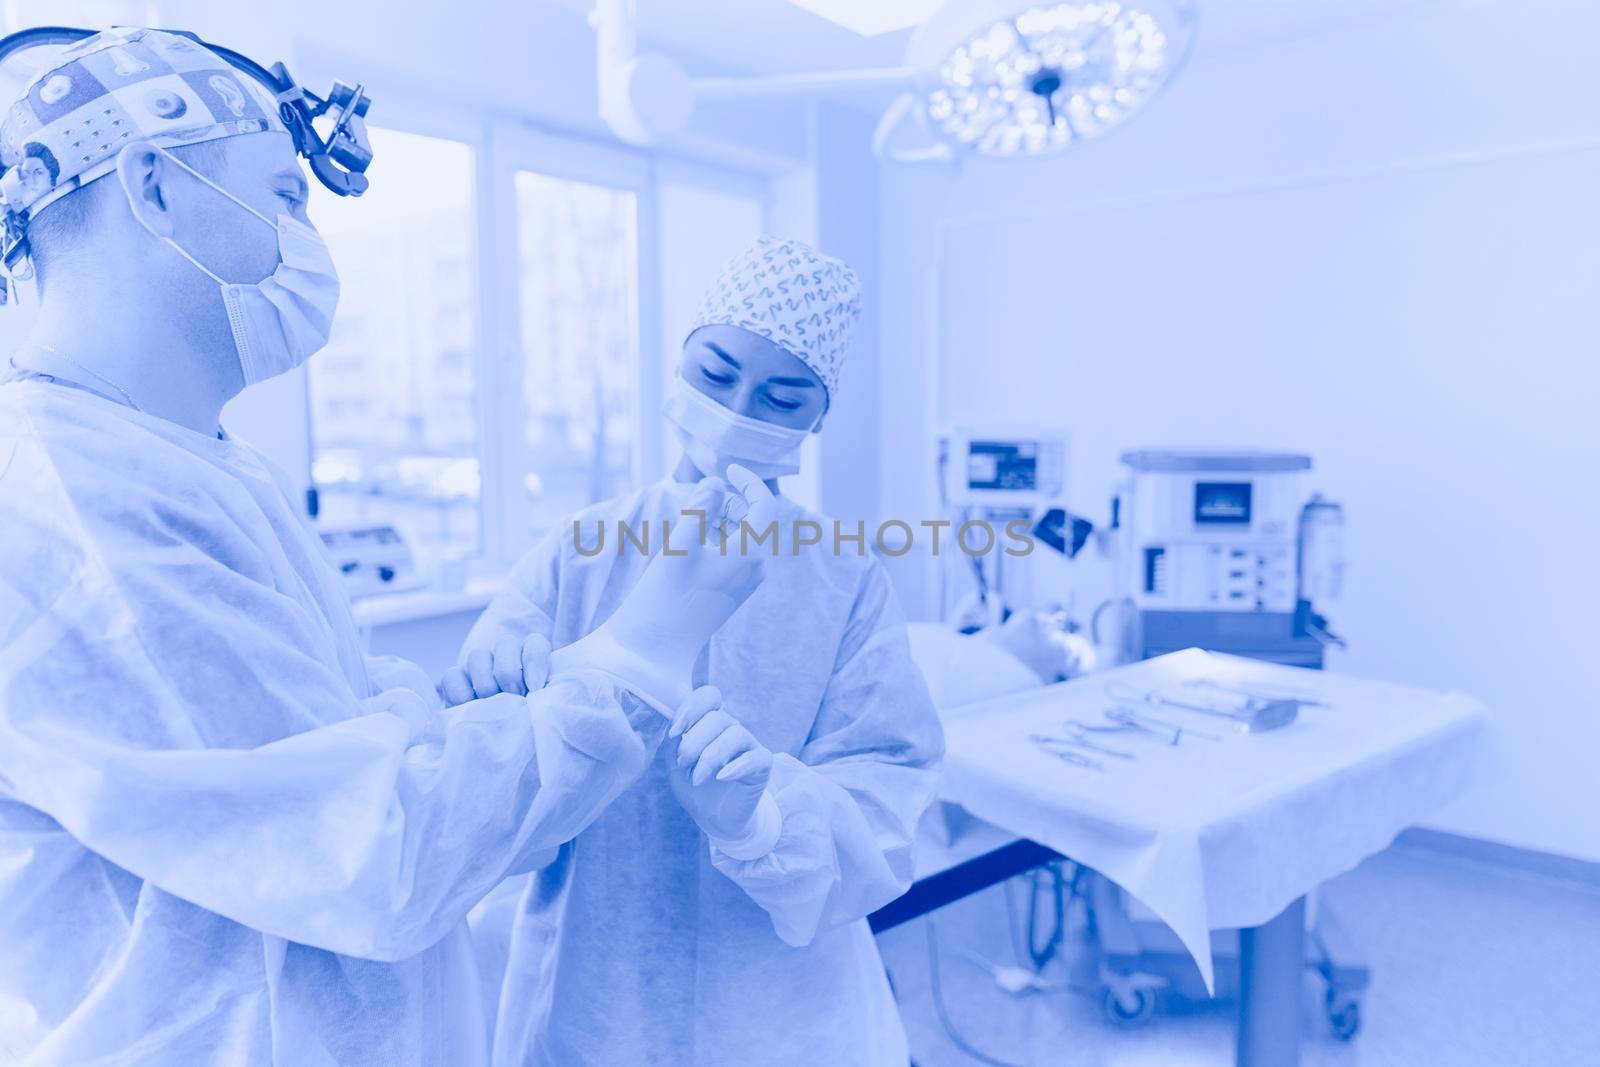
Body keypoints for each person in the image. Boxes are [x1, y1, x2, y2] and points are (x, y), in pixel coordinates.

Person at [0, 29, 753, 1065]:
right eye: (286, 194)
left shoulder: (197, 462)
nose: (308, 242)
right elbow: (372, 848)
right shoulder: (69, 502)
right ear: (153, 186)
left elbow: (310, 736)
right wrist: (643, 654)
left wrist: (464, 710)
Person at [458, 235, 946, 1065]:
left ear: (818, 417)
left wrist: (761, 823)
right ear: (679, 363)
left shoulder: (843, 575)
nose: (739, 409)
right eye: (717, 376)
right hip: (593, 995)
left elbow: (886, 794)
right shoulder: (581, 549)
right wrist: (495, 695)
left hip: (784, 1014)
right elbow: (482, 802)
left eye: (782, 397)